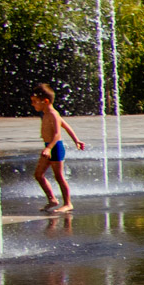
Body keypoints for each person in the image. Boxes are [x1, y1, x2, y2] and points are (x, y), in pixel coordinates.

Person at [30, 83, 85, 211]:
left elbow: (57, 134)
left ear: (45, 101)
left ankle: (67, 203)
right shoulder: (46, 113)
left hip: (55, 148)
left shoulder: (53, 114)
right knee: (38, 175)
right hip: (48, 147)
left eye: (35, 101)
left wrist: (49, 148)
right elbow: (66, 126)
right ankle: (52, 200)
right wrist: (76, 140)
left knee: (59, 176)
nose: (33, 104)